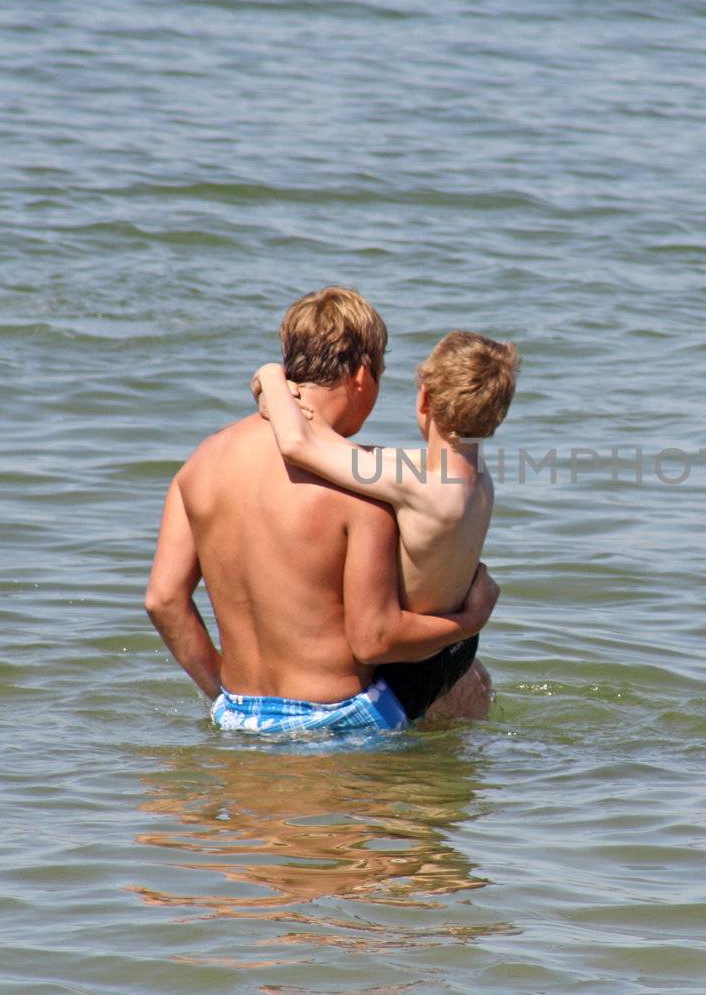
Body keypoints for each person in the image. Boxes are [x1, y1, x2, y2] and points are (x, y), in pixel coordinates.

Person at [144, 287, 500, 737]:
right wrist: (470, 620)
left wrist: (224, 697)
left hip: (237, 714)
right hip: (340, 725)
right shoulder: (361, 488)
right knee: (466, 683)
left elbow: (163, 600)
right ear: (362, 374)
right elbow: (376, 634)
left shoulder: (201, 463)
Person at [250, 328, 519, 722]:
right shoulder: (477, 480)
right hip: (452, 656)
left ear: (425, 398)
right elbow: (376, 460)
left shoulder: (420, 484)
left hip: (406, 668)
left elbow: (297, 445)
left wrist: (271, 375)